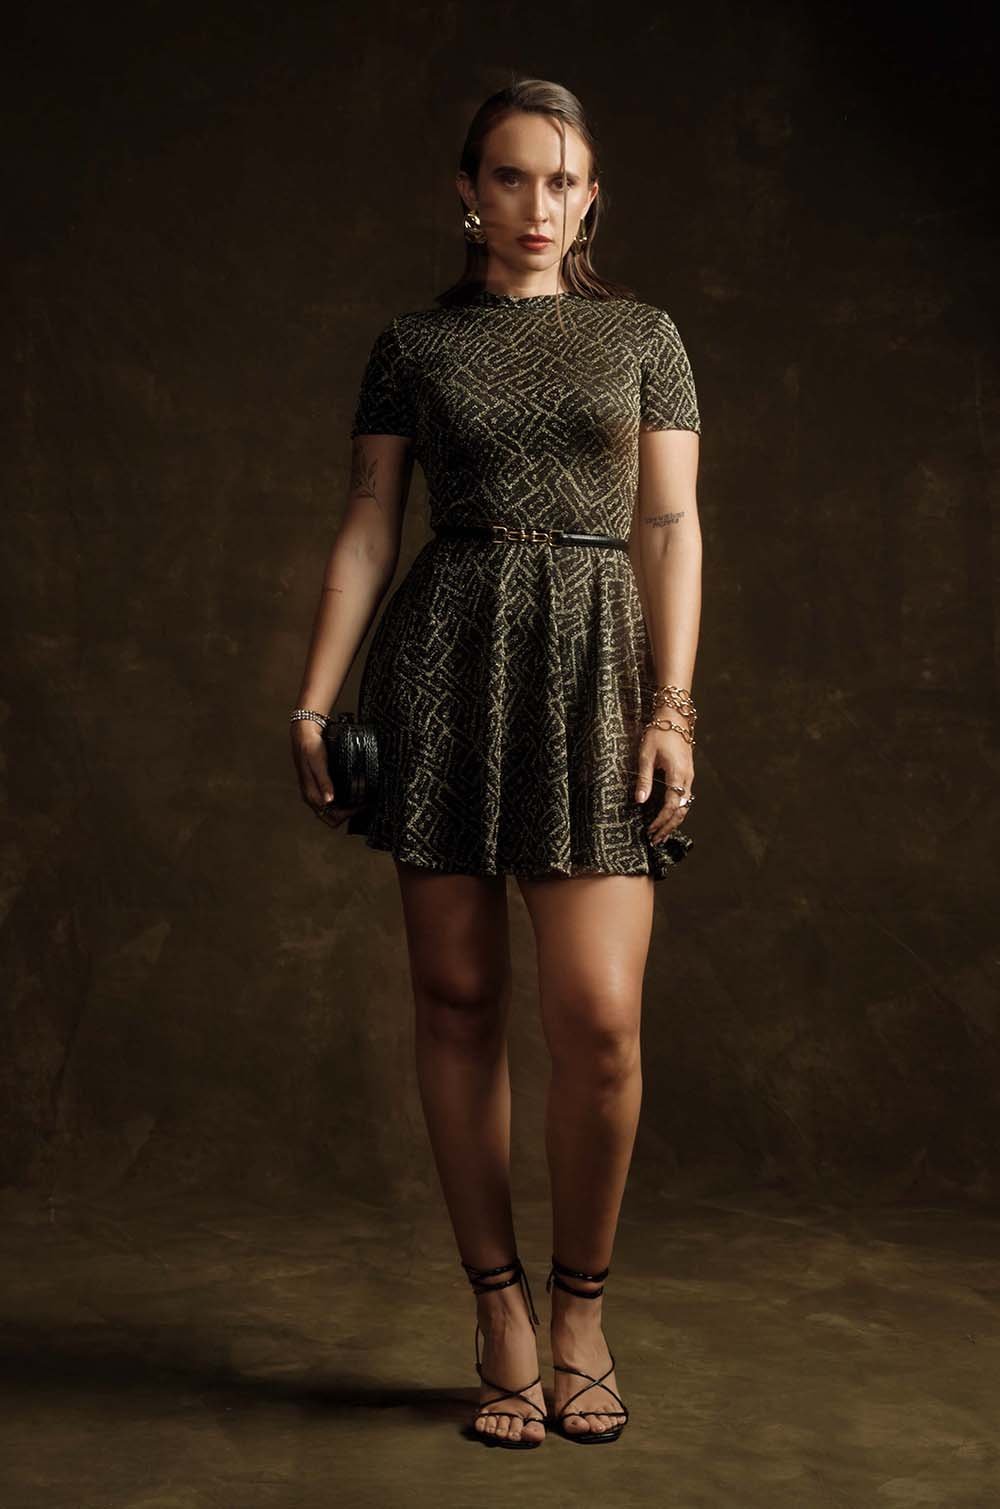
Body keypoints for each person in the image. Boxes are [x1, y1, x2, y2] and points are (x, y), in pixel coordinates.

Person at [290, 77, 701, 1450]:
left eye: (564, 181)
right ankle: (500, 1311)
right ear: (468, 192)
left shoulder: (643, 337)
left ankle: (583, 1311)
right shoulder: (413, 345)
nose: (539, 204)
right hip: (447, 661)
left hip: (593, 670)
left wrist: (672, 708)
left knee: (600, 1020)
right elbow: (368, 522)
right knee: (459, 1000)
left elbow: (670, 528)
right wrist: (313, 701)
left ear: (593, 200)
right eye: (513, 177)